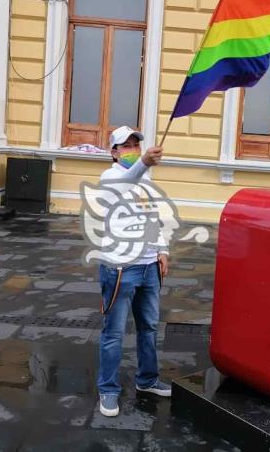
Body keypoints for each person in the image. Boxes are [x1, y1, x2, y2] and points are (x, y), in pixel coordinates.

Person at [97, 125, 171, 418]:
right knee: (114, 333)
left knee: (149, 327)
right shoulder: (110, 177)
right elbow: (128, 180)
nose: (132, 150)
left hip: (149, 266)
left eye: (135, 145)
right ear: (113, 153)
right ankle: (108, 390)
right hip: (120, 268)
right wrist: (143, 163)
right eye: (125, 146)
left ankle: (147, 380)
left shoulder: (145, 176)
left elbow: (152, 214)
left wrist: (162, 249)